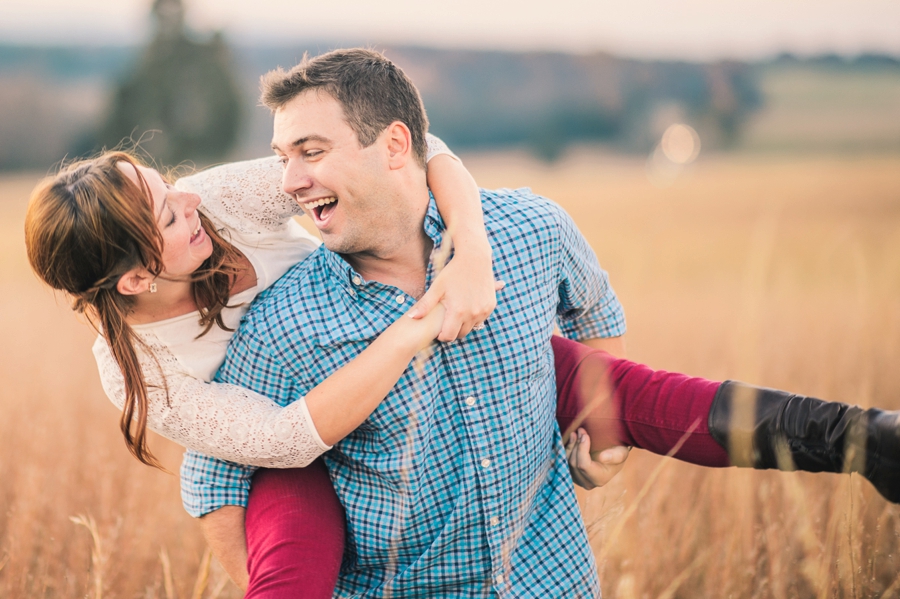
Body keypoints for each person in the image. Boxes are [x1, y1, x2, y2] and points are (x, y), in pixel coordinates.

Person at [179, 48, 900, 598]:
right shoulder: (287, 321)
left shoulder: (526, 227)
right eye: (283, 158)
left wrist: (599, 437)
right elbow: (217, 474)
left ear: (395, 146)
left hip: (551, 581)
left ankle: (871, 439)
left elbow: (596, 314)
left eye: (310, 152)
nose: (290, 182)